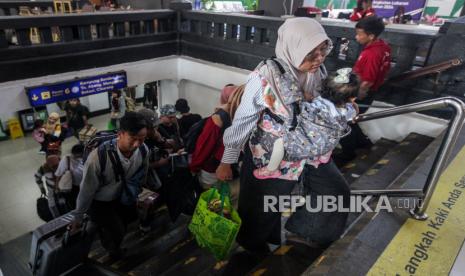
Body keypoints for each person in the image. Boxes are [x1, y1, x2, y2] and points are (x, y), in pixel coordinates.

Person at [216, 18, 351, 255]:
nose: (319, 58)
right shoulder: (264, 77)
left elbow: (320, 103)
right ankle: (253, 250)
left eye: (323, 50)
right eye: (311, 53)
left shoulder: (317, 72)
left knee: (335, 190)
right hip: (271, 158)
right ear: (293, 47)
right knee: (262, 210)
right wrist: (227, 161)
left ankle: (307, 232)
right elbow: (243, 120)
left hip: (308, 150)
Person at [70, 112, 149, 259]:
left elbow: (142, 175)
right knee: (116, 229)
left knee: (125, 223)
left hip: (124, 196)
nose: (137, 144)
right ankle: (112, 250)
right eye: (133, 139)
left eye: (142, 139)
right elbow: (86, 190)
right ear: (120, 134)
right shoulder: (98, 158)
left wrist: (139, 193)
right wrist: (78, 216)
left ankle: (111, 240)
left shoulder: (144, 151)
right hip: (101, 202)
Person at [254, 69, 359, 179]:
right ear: (352, 98)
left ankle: (271, 169)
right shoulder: (346, 111)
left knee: (280, 142)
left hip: (304, 143)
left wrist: (304, 95)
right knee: (332, 134)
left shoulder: (317, 102)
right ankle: (324, 158)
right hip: (324, 146)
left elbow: (301, 103)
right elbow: (354, 112)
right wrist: (353, 105)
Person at [338, 16, 391, 162]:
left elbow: (367, 80)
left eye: (359, 34)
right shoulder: (383, 47)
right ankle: (363, 143)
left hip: (362, 93)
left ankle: (348, 153)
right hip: (369, 91)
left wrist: (352, 98)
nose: (356, 37)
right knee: (352, 120)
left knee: (343, 120)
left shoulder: (371, 53)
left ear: (371, 36)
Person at [189, 85, 245, 189]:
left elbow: (204, 147)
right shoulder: (246, 116)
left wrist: (194, 167)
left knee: (212, 201)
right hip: (236, 169)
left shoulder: (217, 118)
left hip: (213, 171)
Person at [55, 144, 85, 210]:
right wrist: (57, 188)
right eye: (79, 155)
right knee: (74, 204)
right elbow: (58, 174)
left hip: (85, 185)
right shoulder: (66, 159)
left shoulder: (86, 157)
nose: (81, 157)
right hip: (72, 187)